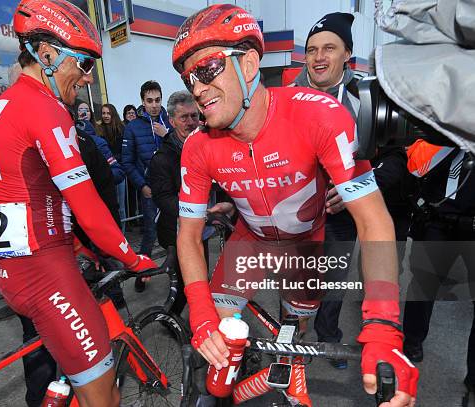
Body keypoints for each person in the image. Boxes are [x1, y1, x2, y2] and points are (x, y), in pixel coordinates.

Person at [172, 4, 418, 406]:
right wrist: (199, 316)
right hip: (248, 243)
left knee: (294, 335)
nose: (196, 88)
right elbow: (188, 234)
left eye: (208, 69)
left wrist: (383, 326)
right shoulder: (198, 146)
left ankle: (279, 374)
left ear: (249, 63)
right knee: (214, 347)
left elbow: (374, 223)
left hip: (306, 244)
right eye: (188, 77)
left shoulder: (320, 115)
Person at [0, 1, 156, 405]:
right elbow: (85, 201)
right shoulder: (44, 108)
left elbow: (22, 192)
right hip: (44, 270)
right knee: (104, 395)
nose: (89, 79)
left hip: (18, 268)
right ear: (48, 55)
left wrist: (76, 245)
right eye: (86, 64)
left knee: (67, 381)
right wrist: (130, 256)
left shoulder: (5, 105)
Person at [290, 12, 412, 370]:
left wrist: (354, 189)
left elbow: (395, 162)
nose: (318, 57)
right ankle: (290, 340)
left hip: (340, 216)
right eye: (311, 49)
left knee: (333, 283)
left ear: (348, 54)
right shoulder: (286, 98)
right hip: (294, 214)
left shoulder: (369, 98)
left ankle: (327, 337)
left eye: (329, 47)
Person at [402, 140, 475, 394]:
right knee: (423, 285)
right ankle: (411, 342)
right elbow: (415, 166)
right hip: (437, 221)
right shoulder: (442, 131)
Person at [148, 90, 200, 316]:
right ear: (171, 121)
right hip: (177, 232)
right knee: (182, 285)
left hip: (203, 229)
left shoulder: (205, 145)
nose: (190, 122)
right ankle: (170, 321)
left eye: (194, 116)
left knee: (200, 278)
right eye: (184, 118)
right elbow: (164, 199)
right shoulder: (162, 157)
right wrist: (196, 211)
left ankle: (198, 318)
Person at [122, 80, 172, 292]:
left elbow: (185, 150)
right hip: (149, 190)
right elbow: (127, 162)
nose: (154, 105)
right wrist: (141, 185)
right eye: (149, 101)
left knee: (177, 233)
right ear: (142, 101)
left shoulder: (169, 121)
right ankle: (142, 274)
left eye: (158, 100)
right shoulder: (133, 127)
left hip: (172, 188)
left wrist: (167, 135)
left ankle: (178, 275)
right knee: (150, 233)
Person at [96, 103, 127, 230]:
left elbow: (125, 150)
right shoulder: (98, 130)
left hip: (118, 170)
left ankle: (123, 234)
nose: (106, 116)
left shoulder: (121, 129)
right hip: (104, 171)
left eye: (108, 113)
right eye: (103, 113)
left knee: (121, 206)